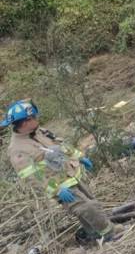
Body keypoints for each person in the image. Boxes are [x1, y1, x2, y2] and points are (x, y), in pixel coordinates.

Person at [2, 100, 122, 242]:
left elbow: (61, 144)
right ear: (25, 122)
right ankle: (109, 233)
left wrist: (79, 157)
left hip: (70, 175)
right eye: (34, 117)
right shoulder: (17, 149)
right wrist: (57, 190)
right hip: (58, 186)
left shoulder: (39, 132)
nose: (37, 119)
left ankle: (93, 233)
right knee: (86, 207)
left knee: (89, 203)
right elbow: (31, 177)